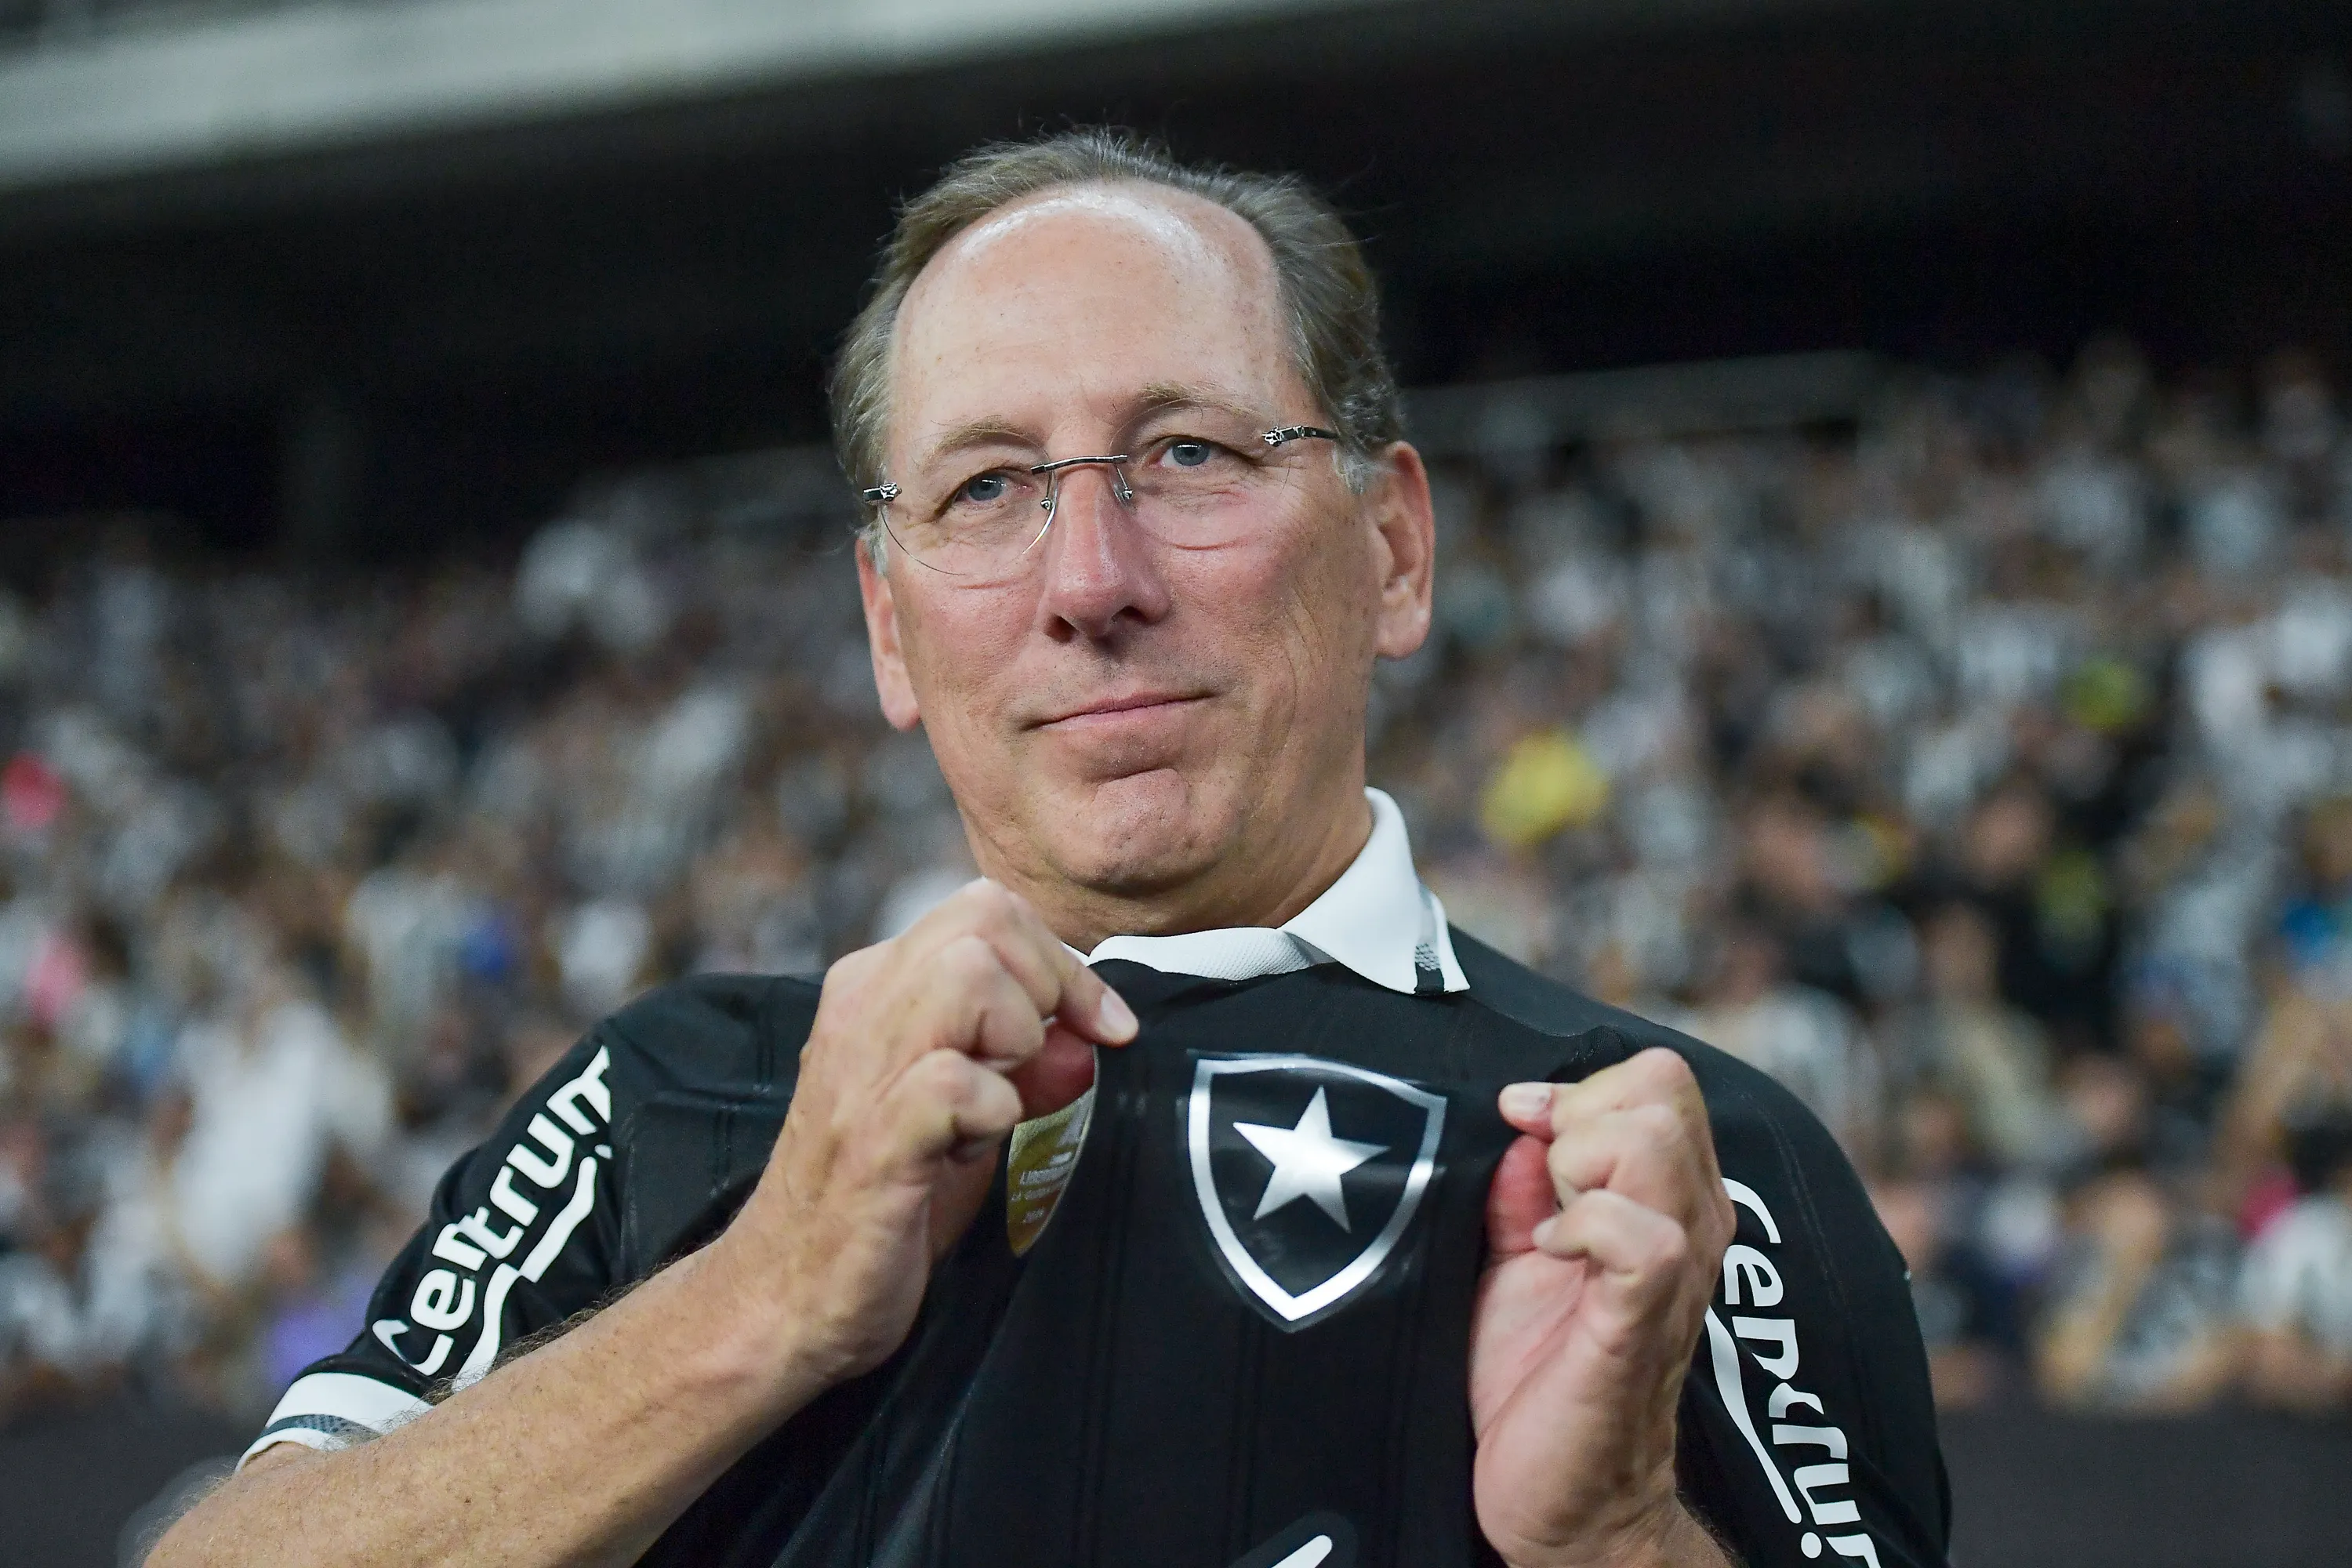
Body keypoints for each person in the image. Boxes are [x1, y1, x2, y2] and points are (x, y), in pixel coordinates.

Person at [156, 130, 1946, 1568]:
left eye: (1186, 452)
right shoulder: (679, 1103)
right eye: (987, 488)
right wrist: (758, 1302)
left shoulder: (1675, 1175)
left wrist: (1617, 1543)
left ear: (1392, 548)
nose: (1091, 583)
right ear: (886, 626)